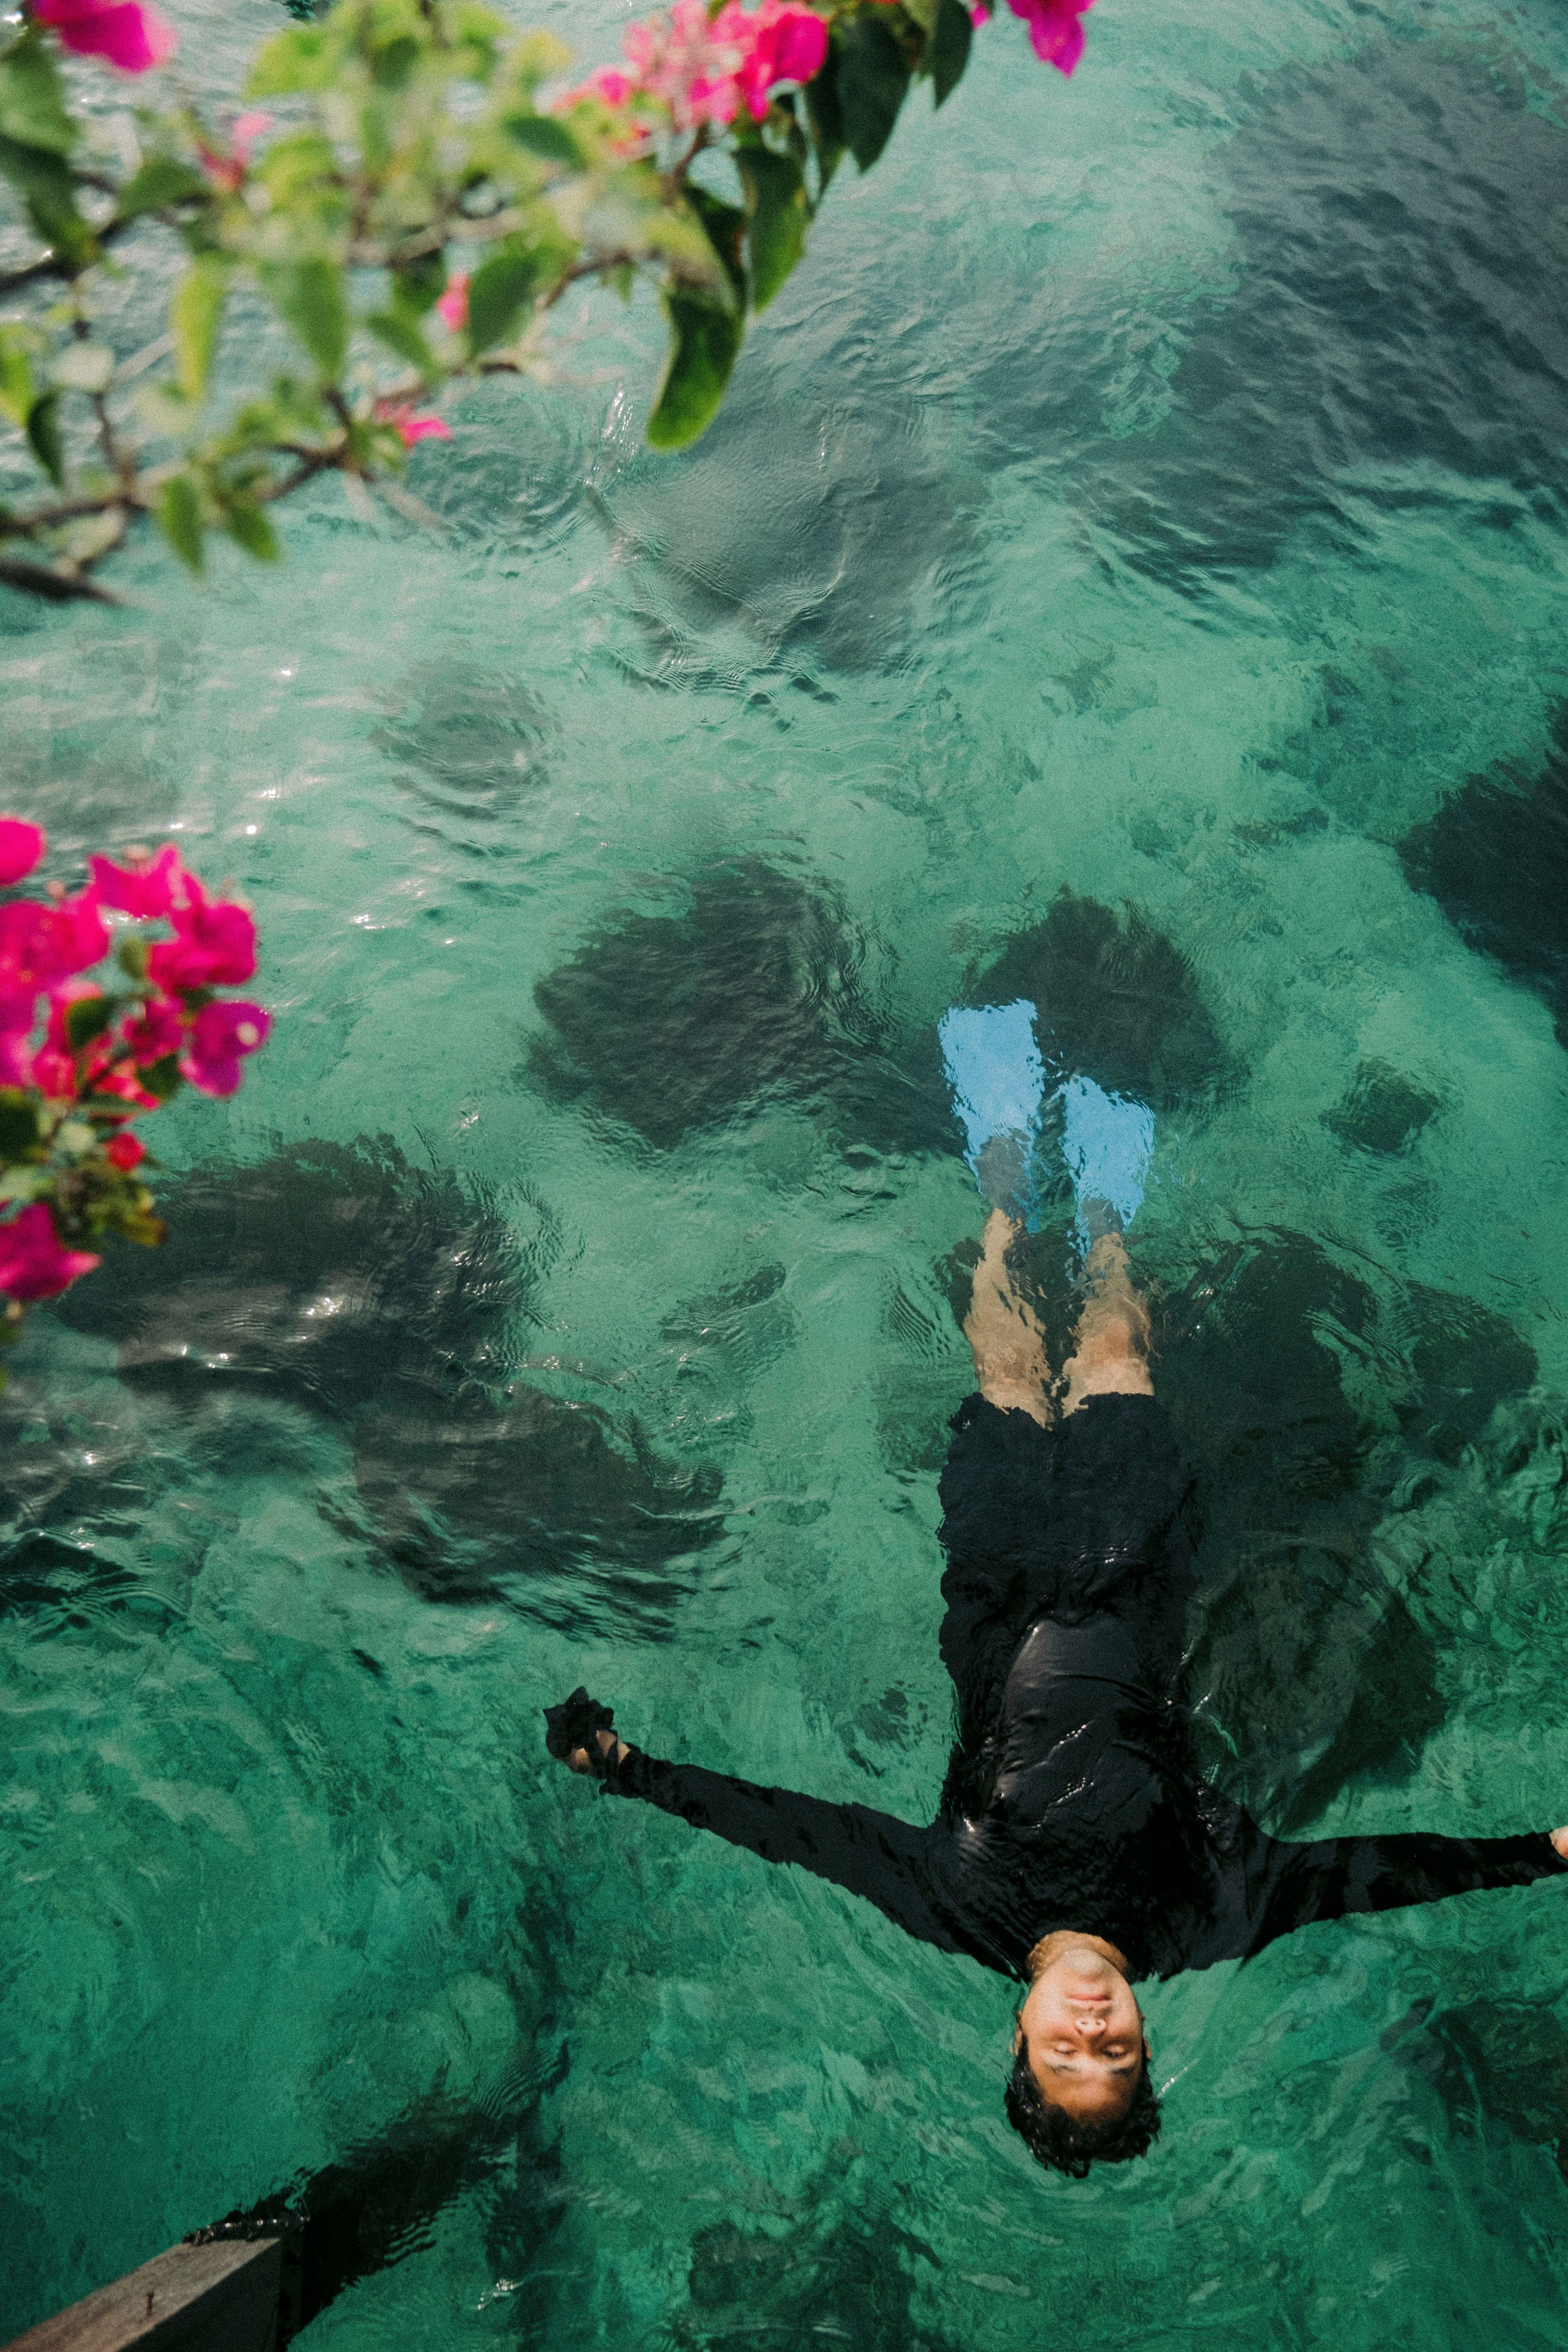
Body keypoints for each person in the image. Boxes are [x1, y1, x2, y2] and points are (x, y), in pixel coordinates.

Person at [545, 1001, 1568, 2178]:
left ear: (1018, 2039)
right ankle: (1107, 1219)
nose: (1095, 2032)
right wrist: (1541, 1851)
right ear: (1144, 2040)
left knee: (1004, 1369)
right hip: (1138, 1568)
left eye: (1065, 2057)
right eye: (1117, 2059)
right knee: (1119, 1357)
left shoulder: (955, 1907)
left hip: (995, 1584)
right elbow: (1371, 1880)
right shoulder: (1207, 1916)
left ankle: (1007, 1188)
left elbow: (797, 1832)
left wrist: (630, 1776)